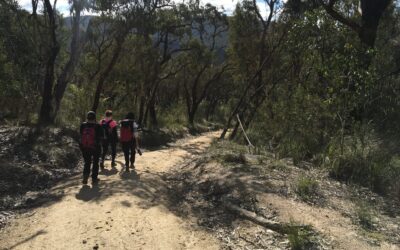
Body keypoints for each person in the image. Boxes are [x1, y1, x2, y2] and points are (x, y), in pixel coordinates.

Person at [79, 111, 104, 185]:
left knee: (87, 162)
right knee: (95, 162)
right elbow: (101, 137)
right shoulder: (98, 126)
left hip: (85, 147)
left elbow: (81, 135)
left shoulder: (83, 125)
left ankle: (85, 177)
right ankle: (94, 178)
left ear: (87, 117)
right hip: (95, 147)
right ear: (94, 118)